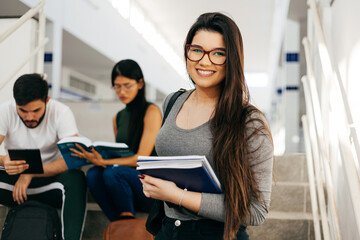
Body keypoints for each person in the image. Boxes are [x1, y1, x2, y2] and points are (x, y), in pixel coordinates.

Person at [139, 12, 274, 240]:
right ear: (188, 51)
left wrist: (178, 196)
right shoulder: (172, 101)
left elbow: (256, 210)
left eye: (218, 54)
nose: (204, 61)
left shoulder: (249, 121)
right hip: (168, 229)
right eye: (197, 50)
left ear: (232, 59)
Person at [71, 59, 162, 221]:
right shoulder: (117, 117)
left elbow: (141, 158)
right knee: (92, 174)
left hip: (150, 187)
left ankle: (125, 222)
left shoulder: (152, 112)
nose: (122, 92)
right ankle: (119, 223)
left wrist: (104, 162)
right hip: (124, 183)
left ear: (140, 84)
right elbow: (120, 154)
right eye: (117, 86)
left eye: (128, 86)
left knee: (112, 171)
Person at [0, 73, 87, 240]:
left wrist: (31, 173)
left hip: (50, 184)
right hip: (14, 186)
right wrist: (3, 160)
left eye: (36, 110)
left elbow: (73, 159)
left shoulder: (61, 112)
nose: (29, 117)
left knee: (76, 178)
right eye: (23, 111)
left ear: (47, 101)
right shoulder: (5, 110)